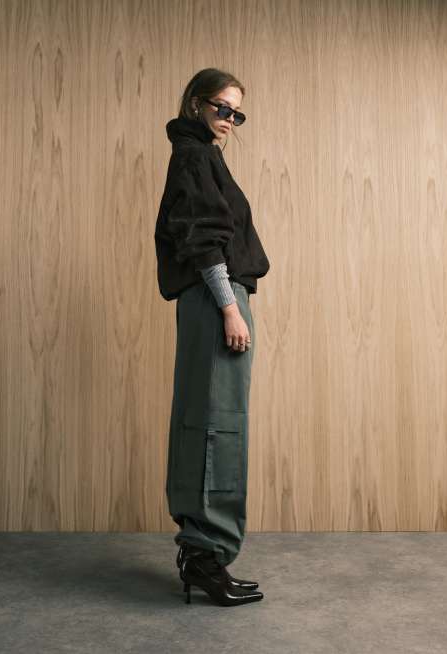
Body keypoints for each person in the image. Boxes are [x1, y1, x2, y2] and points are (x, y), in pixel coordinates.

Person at [154, 68, 270, 607]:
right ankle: (205, 556)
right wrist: (229, 307)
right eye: (222, 107)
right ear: (196, 104)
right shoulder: (195, 156)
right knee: (215, 424)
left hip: (210, 298)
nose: (228, 119)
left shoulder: (198, 155)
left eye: (236, 113)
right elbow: (203, 238)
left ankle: (203, 554)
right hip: (214, 297)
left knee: (208, 418)